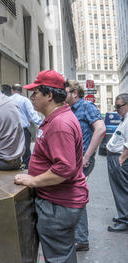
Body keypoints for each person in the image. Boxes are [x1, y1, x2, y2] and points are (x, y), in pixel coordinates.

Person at [14, 70, 89, 263]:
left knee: (55, 256)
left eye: (35, 92)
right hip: (58, 202)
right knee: (58, 254)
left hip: (58, 204)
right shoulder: (57, 119)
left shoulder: (60, 124)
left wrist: (33, 180)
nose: (31, 97)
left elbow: (64, 169)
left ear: (49, 95)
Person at [65, 80, 106, 250]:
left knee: (75, 196)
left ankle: (81, 239)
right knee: (71, 196)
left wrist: (87, 155)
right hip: (72, 159)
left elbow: (101, 129)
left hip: (81, 159)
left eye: (66, 92)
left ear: (75, 93)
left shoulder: (86, 107)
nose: (63, 95)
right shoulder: (68, 109)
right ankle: (78, 236)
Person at [106, 93, 128, 232]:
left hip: (119, 158)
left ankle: (124, 220)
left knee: (121, 190)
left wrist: (122, 158)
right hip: (116, 157)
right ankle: (124, 216)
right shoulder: (124, 118)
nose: (116, 110)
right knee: (120, 189)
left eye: (119, 107)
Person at [11, 84, 43, 167]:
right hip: (23, 130)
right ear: (21, 91)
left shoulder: (7, 100)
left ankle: (14, 166)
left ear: (12, 91)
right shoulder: (25, 100)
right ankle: (26, 168)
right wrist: (42, 123)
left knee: (12, 149)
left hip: (10, 130)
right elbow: (32, 115)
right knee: (26, 151)